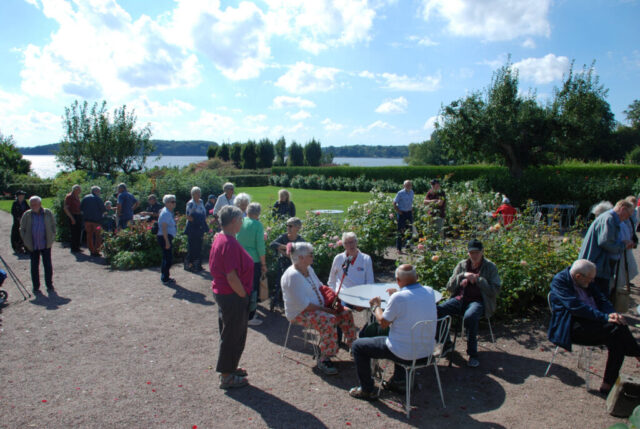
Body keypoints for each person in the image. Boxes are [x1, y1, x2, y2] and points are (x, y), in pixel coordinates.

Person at [548, 259, 640, 395]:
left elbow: (601, 299)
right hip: (571, 326)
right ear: (578, 276)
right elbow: (576, 308)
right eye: (590, 279)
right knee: (617, 330)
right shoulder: (560, 281)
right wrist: (605, 317)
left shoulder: (584, 279)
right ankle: (612, 379)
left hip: (592, 322)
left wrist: (612, 313)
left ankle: (608, 384)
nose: (592, 281)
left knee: (618, 330)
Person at [349, 264, 437, 400]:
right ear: (417, 277)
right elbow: (412, 304)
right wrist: (396, 294)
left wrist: (376, 306)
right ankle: (399, 381)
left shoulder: (398, 298)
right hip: (427, 351)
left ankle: (367, 389)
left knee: (358, 346)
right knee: (401, 335)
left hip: (404, 353)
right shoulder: (430, 291)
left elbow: (383, 323)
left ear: (398, 280)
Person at [281, 242, 357, 375]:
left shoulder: (308, 269)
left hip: (319, 307)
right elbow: (305, 306)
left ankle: (354, 347)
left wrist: (331, 300)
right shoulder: (292, 276)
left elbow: (320, 286)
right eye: (311, 254)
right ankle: (324, 358)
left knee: (346, 312)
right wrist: (328, 310)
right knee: (329, 319)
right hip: (300, 313)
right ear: (301, 258)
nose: (313, 256)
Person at [436, 239, 501, 368]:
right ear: (468, 253)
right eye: (471, 253)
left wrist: (479, 280)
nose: (474, 255)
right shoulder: (462, 265)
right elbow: (449, 287)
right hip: (460, 299)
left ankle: (472, 354)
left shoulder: (490, 267)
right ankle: (446, 343)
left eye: (477, 252)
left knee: (470, 317)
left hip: (478, 301)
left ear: (482, 252)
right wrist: (462, 276)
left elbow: (495, 290)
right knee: (437, 310)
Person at [209, 205, 254, 389]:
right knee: (233, 335)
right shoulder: (229, 243)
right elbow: (231, 276)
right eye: (241, 219)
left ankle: (230, 367)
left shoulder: (221, 237)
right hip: (232, 295)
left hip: (225, 293)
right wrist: (243, 295)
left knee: (232, 333)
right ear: (234, 221)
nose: (242, 222)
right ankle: (226, 376)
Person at [579, 200, 635, 297]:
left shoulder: (610, 218)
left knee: (599, 296)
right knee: (599, 296)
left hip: (599, 265)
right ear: (622, 209)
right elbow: (605, 243)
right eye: (628, 214)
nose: (628, 218)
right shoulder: (609, 219)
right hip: (597, 266)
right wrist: (623, 245)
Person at [236, 202, 267, 327]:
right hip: (253, 261)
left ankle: (241, 311)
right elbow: (260, 246)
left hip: (239, 259)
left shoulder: (241, 221)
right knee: (252, 288)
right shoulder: (258, 225)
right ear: (258, 213)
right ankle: (250, 316)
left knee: (241, 285)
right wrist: (263, 263)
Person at [19, 196, 56, 295]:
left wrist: (52, 237)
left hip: (46, 243)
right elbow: (22, 229)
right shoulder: (27, 214)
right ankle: (36, 286)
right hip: (33, 244)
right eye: (31, 204)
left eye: (35, 204)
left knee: (48, 265)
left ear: (40, 204)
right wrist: (26, 241)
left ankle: (49, 284)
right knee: (34, 266)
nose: (33, 206)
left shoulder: (47, 213)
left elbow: (53, 225)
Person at [327, 232, 374, 304]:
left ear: (356, 242)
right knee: (344, 308)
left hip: (360, 295)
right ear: (343, 245)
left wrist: (366, 297)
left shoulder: (366, 259)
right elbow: (331, 279)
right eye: (346, 243)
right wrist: (333, 295)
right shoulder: (338, 258)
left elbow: (370, 281)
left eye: (352, 242)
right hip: (343, 294)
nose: (350, 245)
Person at [270, 217, 305, 310]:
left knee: (294, 285)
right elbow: (272, 244)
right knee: (279, 283)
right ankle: (276, 301)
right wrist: (287, 247)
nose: (287, 228)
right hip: (283, 263)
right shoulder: (284, 237)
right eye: (287, 225)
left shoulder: (301, 240)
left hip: (294, 266)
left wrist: (283, 251)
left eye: (290, 226)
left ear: (297, 228)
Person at [184, 186, 208, 272]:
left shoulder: (201, 201)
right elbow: (188, 216)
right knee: (192, 247)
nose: (199, 194)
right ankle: (189, 265)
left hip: (200, 226)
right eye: (197, 193)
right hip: (192, 227)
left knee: (199, 246)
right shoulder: (190, 203)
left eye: (199, 193)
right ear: (193, 194)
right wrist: (197, 221)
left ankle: (198, 265)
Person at [80, 186, 106, 257]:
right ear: (96, 191)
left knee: (89, 235)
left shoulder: (85, 198)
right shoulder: (98, 199)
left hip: (87, 221)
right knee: (98, 236)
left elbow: (81, 208)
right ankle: (96, 251)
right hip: (97, 222)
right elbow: (103, 209)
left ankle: (91, 250)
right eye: (99, 192)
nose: (99, 193)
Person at [157, 195, 177, 285]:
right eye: (172, 202)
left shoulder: (168, 212)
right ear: (167, 203)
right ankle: (165, 278)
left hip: (166, 237)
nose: (174, 203)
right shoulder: (165, 213)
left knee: (166, 257)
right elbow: (164, 228)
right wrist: (167, 241)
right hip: (164, 237)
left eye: (174, 201)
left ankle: (165, 276)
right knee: (168, 258)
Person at [393, 180, 414, 253]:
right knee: (400, 231)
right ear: (404, 186)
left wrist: (411, 210)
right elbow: (394, 203)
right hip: (402, 213)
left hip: (409, 213)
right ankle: (399, 249)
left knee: (409, 231)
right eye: (407, 185)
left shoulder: (412, 192)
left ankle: (408, 247)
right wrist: (398, 211)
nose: (408, 186)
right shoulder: (400, 193)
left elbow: (411, 202)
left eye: (410, 185)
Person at [63, 184, 82, 252]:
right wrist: (72, 218)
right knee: (74, 232)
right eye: (79, 189)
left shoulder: (77, 196)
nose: (80, 191)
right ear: (75, 190)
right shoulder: (69, 197)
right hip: (73, 215)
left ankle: (77, 247)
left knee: (78, 232)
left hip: (78, 215)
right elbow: (66, 208)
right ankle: (74, 248)